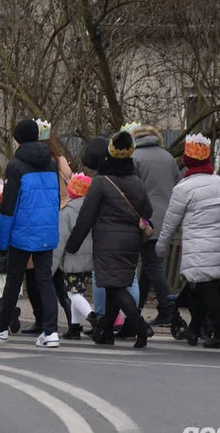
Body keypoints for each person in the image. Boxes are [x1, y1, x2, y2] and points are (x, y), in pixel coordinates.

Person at [66, 131, 154, 348]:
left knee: (114, 287)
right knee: (116, 284)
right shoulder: (136, 181)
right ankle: (106, 333)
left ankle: (140, 326)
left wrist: (72, 245)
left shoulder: (101, 183)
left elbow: (86, 217)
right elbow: (148, 211)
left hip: (107, 242)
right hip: (132, 241)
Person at [155, 134, 220, 348]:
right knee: (201, 289)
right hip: (219, 245)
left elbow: (170, 222)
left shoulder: (183, 189)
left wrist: (161, 246)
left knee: (207, 289)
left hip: (198, 248)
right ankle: (193, 331)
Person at [0, 120, 62, 348]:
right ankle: (51, 331)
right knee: (45, 280)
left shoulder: (15, 165)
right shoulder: (52, 164)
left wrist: (2, 241)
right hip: (46, 230)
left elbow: (9, 207)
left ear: (18, 139)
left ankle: (1, 328)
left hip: (21, 230)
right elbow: (55, 199)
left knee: (13, 281)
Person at [126, 122, 180, 327]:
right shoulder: (168, 158)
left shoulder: (134, 158)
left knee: (151, 263)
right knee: (151, 263)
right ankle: (138, 307)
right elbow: (178, 184)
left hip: (145, 219)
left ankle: (167, 308)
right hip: (168, 217)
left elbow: (133, 190)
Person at [54, 173, 95, 339]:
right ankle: (74, 326)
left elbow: (61, 238)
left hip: (72, 258)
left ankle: (94, 317)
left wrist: (53, 263)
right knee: (78, 291)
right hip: (89, 257)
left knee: (72, 293)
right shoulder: (93, 207)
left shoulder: (67, 210)